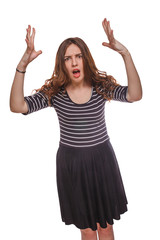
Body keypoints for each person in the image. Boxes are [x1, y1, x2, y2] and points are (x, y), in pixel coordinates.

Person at [10, 18, 142, 240]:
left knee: (106, 227)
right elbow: (17, 106)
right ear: (62, 64)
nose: (74, 62)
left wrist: (125, 54)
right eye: (68, 58)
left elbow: (134, 95)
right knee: (87, 229)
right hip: (72, 166)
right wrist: (22, 66)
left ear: (85, 60)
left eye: (78, 56)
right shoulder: (56, 92)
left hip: (102, 161)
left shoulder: (100, 87)